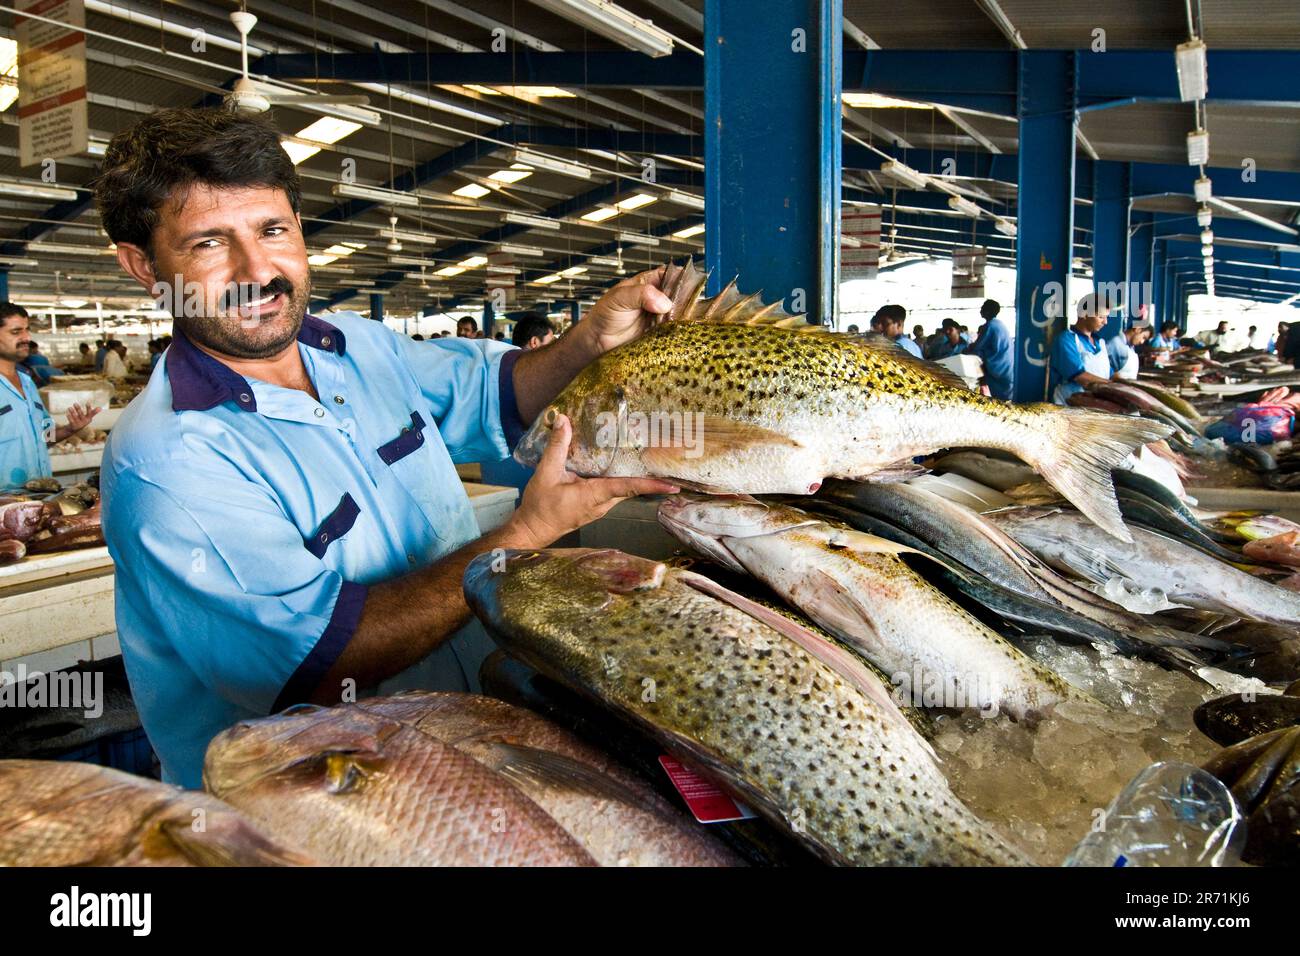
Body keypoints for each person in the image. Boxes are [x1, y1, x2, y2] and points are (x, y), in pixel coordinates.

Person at [92, 107, 680, 787]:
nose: (259, 268)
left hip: (463, 751)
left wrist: (587, 342)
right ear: (143, 265)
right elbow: (314, 663)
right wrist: (526, 532)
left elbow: (494, 392)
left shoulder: (353, 345)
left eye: (273, 230)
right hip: (315, 814)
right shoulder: (168, 459)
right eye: (209, 244)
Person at [0, 303, 100, 487]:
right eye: (16, 332)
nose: (26, 337)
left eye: (27, 330)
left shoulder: (27, 383)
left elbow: (43, 437)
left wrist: (70, 429)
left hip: (38, 494)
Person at [481, 313, 557, 494]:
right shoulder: (540, 382)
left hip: (494, 480)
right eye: (551, 341)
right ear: (534, 342)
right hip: (528, 479)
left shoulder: (491, 368)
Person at [1049, 294, 1112, 404]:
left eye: (1107, 317)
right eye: (1101, 317)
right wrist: (1114, 386)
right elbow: (1080, 377)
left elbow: (1109, 373)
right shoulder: (1066, 340)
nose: (1105, 322)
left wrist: (1129, 384)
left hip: (1095, 405)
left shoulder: (1100, 342)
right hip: (1069, 406)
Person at [968, 298, 1013, 401]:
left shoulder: (989, 326)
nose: (980, 310)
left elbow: (977, 347)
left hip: (999, 369)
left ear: (987, 311)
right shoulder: (1000, 324)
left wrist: (969, 348)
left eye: (982, 308)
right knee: (1008, 398)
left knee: (1001, 400)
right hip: (1006, 367)